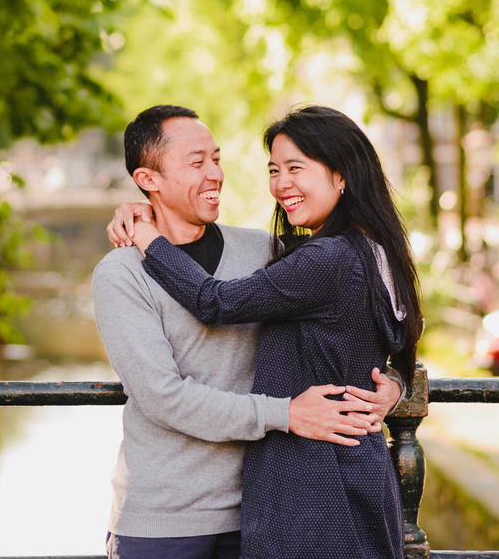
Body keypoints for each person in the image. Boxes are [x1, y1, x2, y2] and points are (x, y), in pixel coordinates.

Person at [93, 105, 403, 559]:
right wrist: (286, 414)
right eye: (197, 163)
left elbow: (368, 319)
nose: (215, 173)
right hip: (166, 521)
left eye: (216, 159)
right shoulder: (122, 273)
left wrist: (392, 383)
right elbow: (163, 395)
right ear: (149, 179)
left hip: (268, 515)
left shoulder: (269, 251)